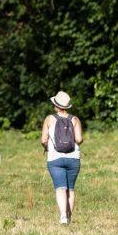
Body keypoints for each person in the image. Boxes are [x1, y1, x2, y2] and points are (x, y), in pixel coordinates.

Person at [41, 91, 83, 225]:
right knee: (70, 188)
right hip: (73, 158)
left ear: (56, 105)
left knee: (60, 187)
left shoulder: (49, 119)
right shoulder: (75, 119)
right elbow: (79, 139)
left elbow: (43, 139)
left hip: (55, 159)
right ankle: (69, 217)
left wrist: (47, 146)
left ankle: (63, 216)